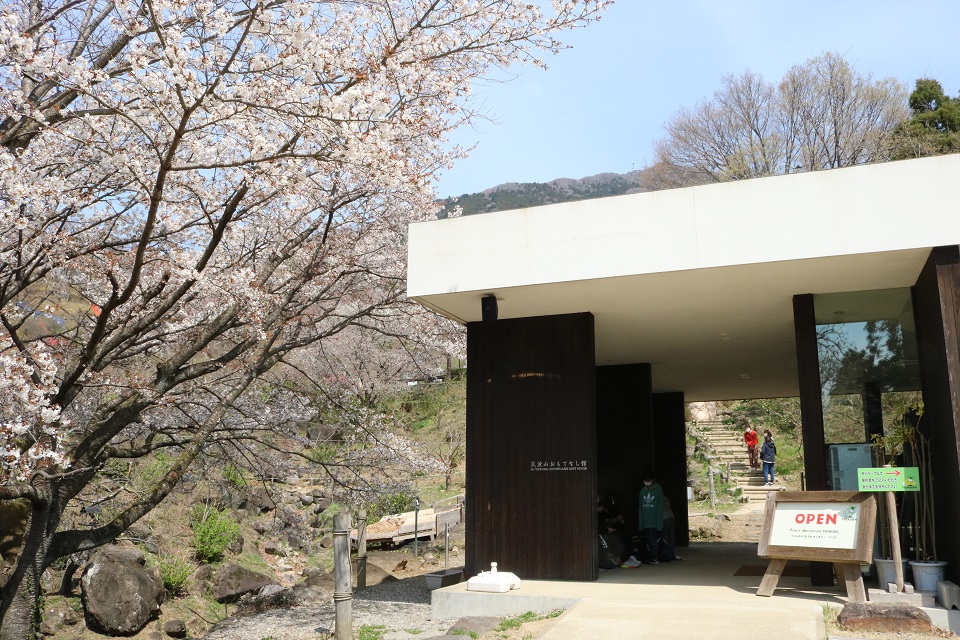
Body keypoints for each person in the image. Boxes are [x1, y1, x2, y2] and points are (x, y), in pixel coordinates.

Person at [638, 472, 664, 564]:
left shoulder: (658, 489)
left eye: (648, 480)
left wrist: (659, 524)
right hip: (645, 521)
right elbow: (640, 508)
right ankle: (649, 556)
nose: (647, 482)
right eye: (645, 480)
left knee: (653, 540)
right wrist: (641, 523)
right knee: (647, 540)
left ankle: (654, 557)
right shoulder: (642, 491)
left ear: (653, 479)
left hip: (654, 521)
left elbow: (660, 507)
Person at [659, 496, 682, 562]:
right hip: (671, 516)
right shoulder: (666, 498)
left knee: (665, 536)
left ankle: (668, 551)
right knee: (671, 534)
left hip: (664, 517)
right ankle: (671, 551)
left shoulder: (658, 499)